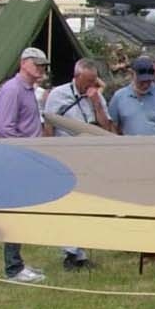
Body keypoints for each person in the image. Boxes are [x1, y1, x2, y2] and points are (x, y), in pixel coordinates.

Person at [42, 58, 115, 270]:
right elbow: (49, 124)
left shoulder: (96, 96)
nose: (90, 86)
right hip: (65, 156)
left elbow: (106, 126)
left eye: (93, 81)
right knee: (69, 205)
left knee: (87, 205)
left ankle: (80, 252)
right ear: (76, 77)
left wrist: (95, 102)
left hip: (89, 157)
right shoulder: (58, 95)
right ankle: (69, 253)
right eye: (87, 81)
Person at [0, 47, 49, 283]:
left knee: (22, 213)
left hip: (25, 159)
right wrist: (27, 152)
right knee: (14, 215)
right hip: (14, 161)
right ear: (24, 63)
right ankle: (13, 269)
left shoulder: (28, 90)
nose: (41, 68)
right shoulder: (12, 90)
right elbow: (4, 128)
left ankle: (17, 263)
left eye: (43, 64)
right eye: (37, 64)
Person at [108, 56, 155, 135]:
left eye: (148, 81)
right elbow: (112, 125)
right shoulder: (119, 97)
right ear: (132, 74)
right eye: (141, 81)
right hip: (130, 146)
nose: (145, 85)